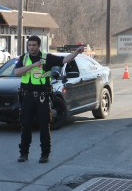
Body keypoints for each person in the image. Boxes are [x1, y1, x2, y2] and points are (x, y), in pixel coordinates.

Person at [14, 35, 84, 163]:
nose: (31, 47)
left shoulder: (47, 58)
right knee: (26, 125)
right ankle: (24, 153)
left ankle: (44, 154)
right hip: (27, 97)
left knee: (44, 126)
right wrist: (34, 65)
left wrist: (76, 53)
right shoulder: (24, 58)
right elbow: (16, 72)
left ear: (39, 46)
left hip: (42, 97)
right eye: (29, 45)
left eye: (34, 45)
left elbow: (64, 60)